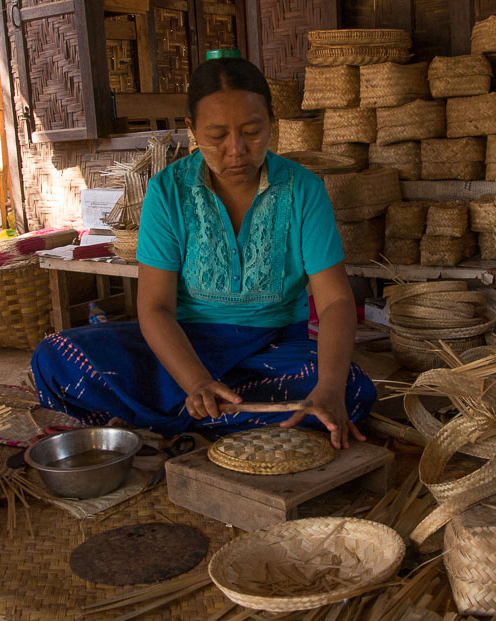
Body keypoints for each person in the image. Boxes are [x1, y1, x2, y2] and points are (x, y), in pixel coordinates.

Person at [31, 57, 376, 449]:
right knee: (55, 357)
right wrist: (195, 382)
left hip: (273, 348)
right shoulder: (168, 192)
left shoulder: (303, 190)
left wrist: (328, 387)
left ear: (271, 125)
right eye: (217, 135)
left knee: (349, 389)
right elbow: (155, 308)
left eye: (252, 131)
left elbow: (334, 302)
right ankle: (224, 415)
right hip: (185, 348)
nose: (237, 150)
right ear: (192, 130)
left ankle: (170, 421)